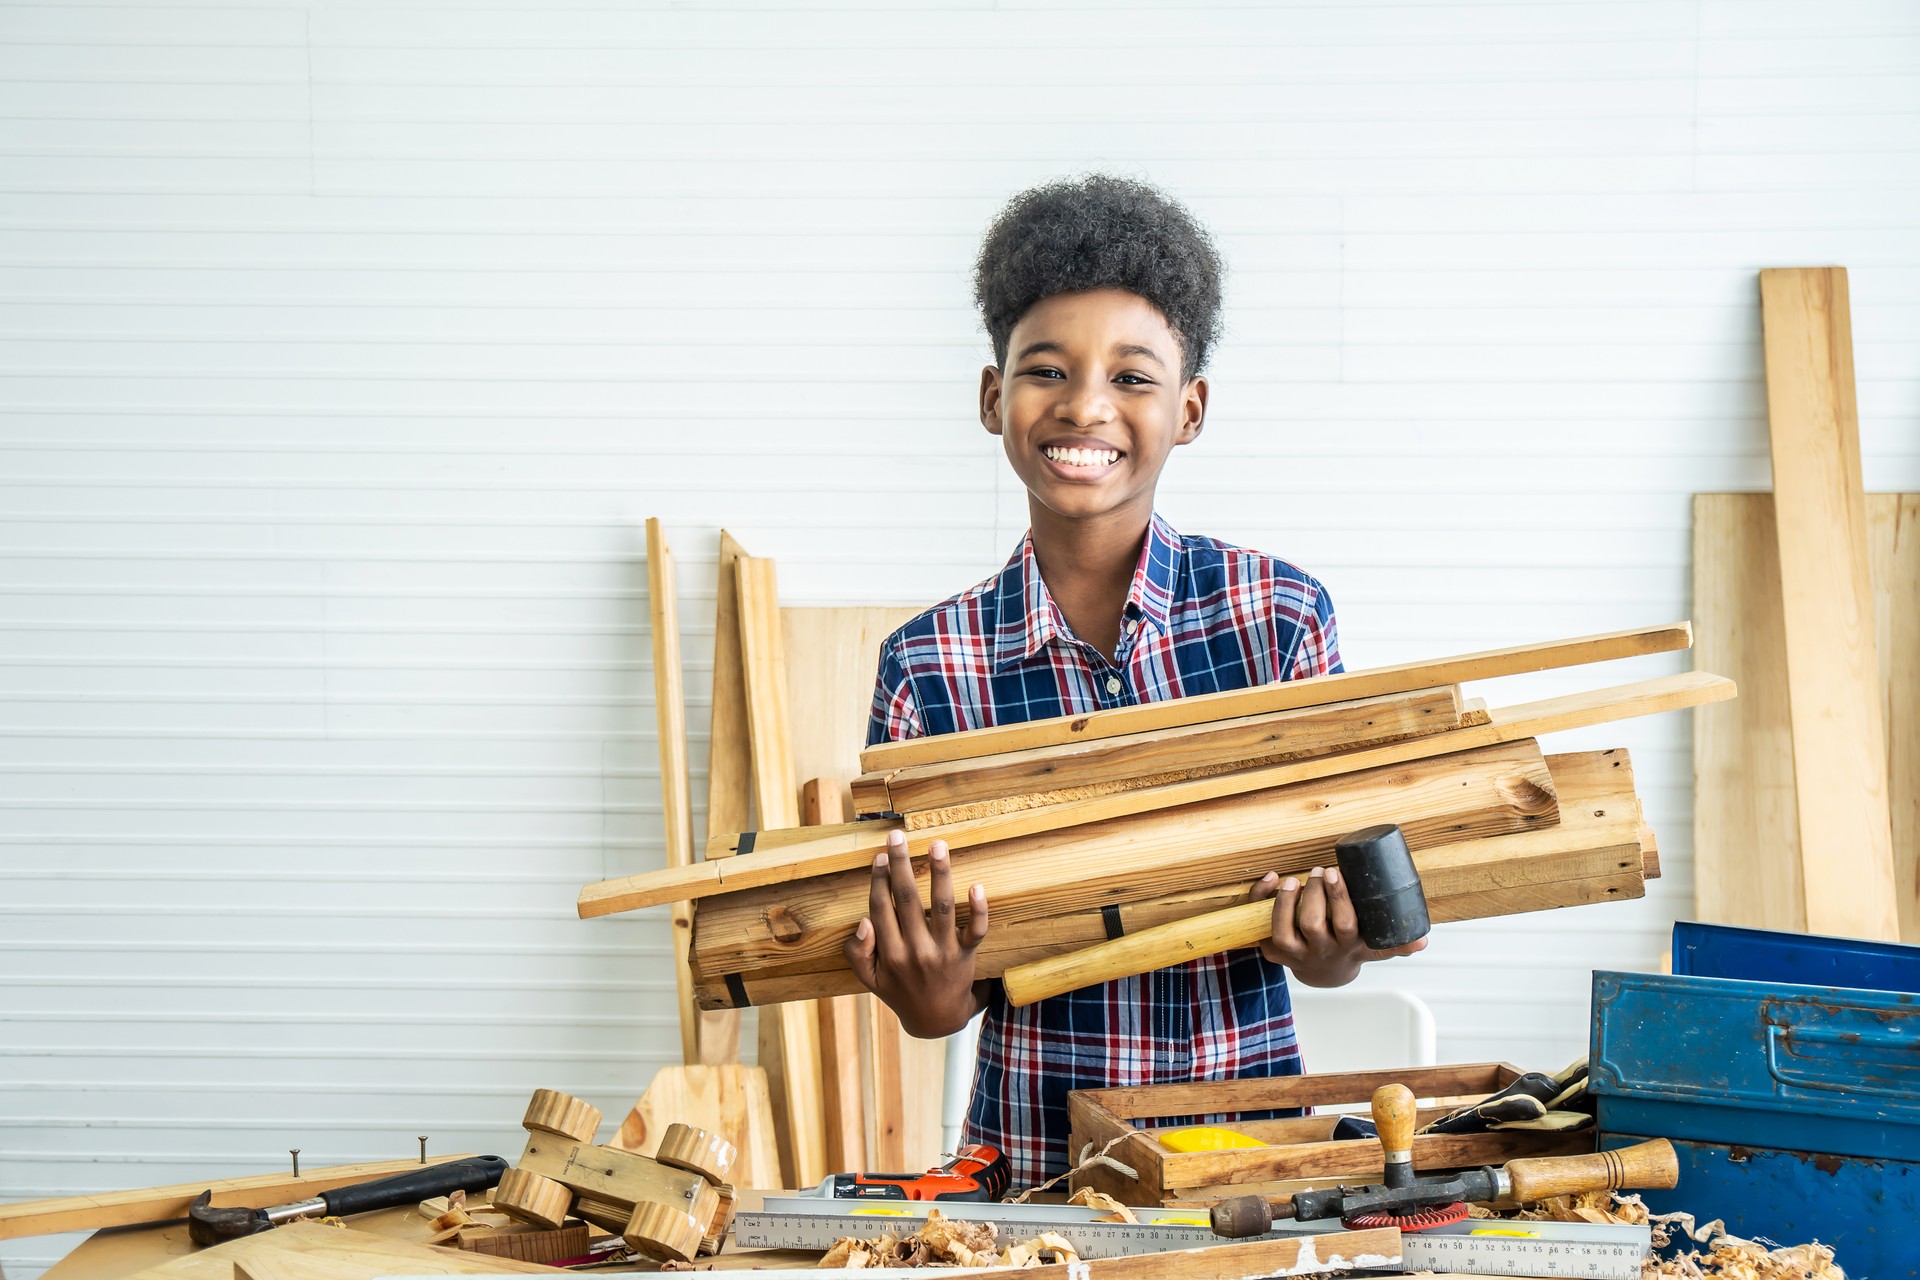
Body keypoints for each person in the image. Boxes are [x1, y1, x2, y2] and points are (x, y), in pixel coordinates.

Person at [846, 174, 1426, 1186]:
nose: (1084, 406)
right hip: (1032, 1177)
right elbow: (938, 998)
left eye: (1132, 376)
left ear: (1189, 409)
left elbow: (1341, 942)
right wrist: (927, 990)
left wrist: (1329, 946)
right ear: (993, 397)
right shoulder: (930, 665)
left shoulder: (1278, 618)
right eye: (1046, 369)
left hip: (1242, 1175)